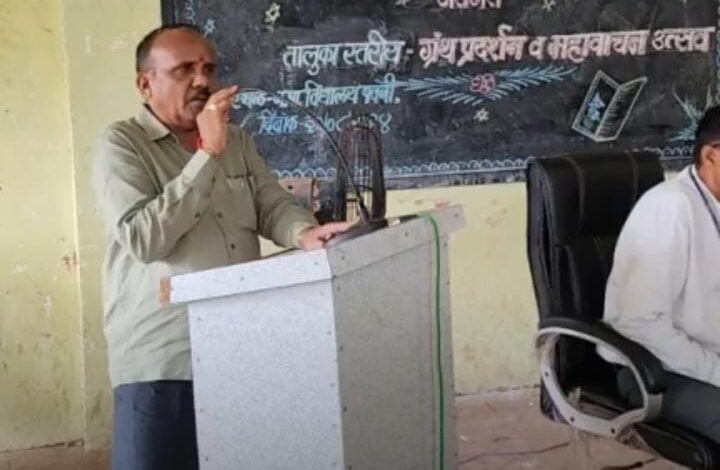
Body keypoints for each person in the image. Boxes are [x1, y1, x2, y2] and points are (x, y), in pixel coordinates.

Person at [92, 23, 351, 470]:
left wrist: (304, 233)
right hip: (165, 355)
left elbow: (271, 204)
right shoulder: (121, 144)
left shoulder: (239, 142)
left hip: (238, 342)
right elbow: (143, 238)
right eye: (184, 70)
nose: (201, 81)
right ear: (145, 84)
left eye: (208, 69)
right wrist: (207, 153)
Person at [601, 105, 720, 443]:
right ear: (711, 155)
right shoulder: (670, 208)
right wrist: (716, 371)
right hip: (660, 369)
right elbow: (641, 324)